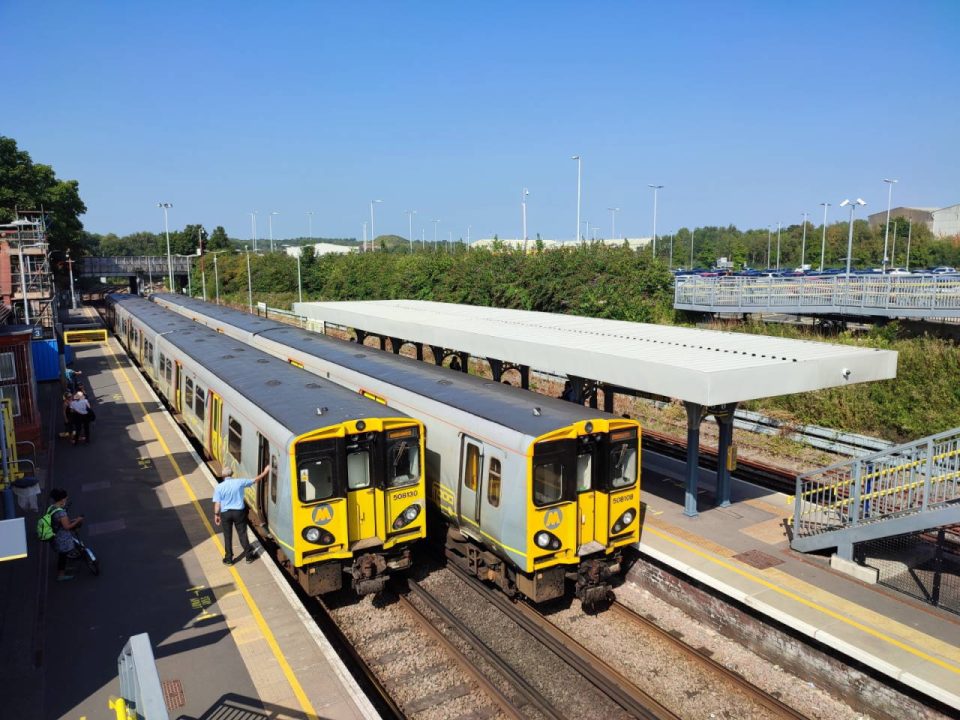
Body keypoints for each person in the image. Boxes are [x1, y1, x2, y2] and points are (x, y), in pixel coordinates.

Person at [213, 466, 269, 565]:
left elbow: (217, 505)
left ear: (223, 475)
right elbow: (255, 480)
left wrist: (216, 515)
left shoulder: (219, 487)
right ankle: (248, 557)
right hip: (239, 513)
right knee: (242, 533)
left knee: (227, 536)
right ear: (232, 474)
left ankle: (229, 559)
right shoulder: (239, 482)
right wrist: (265, 472)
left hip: (225, 514)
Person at [48, 488, 84, 581]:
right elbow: (67, 526)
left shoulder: (52, 508)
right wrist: (77, 520)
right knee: (63, 556)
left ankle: (62, 569)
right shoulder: (61, 513)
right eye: (65, 498)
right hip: (61, 538)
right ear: (62, 499)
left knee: (62, 555)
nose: (66, 500)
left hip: (54, 535)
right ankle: (61, 575)